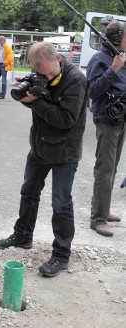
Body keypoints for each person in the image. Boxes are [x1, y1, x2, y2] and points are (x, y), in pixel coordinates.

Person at [0, 41, 88, 277]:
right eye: (40, 73)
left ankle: (61, 255)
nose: (45, 76)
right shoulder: (40, 74)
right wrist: (28, 96)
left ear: (58, 57)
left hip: (64, 152)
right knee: (29, 192)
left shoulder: (75, 79)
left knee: (61, 203)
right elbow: (40, 104)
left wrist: (36, 102)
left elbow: (66, 119)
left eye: (49, 72)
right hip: (40, 146)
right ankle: (23, 236)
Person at [87, 20, 126, 237]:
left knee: (113, 167)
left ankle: (103, 208)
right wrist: (113, 70)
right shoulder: (100, 60)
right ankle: (98, 219)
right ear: (115, 39)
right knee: (105, 170)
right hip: (107, 121)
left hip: (121, 119)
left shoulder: (120, 58)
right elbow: (92, 91)